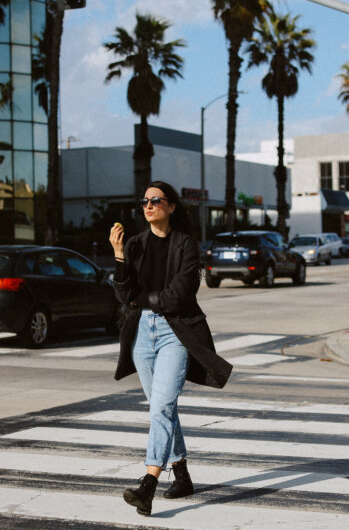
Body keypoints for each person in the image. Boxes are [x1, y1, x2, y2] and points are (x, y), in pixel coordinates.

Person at [109, 180, 232, 516]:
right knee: (161, 408)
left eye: (156, 200)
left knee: (161, 406)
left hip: (174, 333)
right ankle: (182, 474)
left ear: (171, 207)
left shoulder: (186, 245)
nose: (149, 206)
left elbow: (181, 293)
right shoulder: (134, 245)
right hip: (141, 336)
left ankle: (148, 484)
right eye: (145, 201)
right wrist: (119, 256)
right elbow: (123, 295)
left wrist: (145, 299)